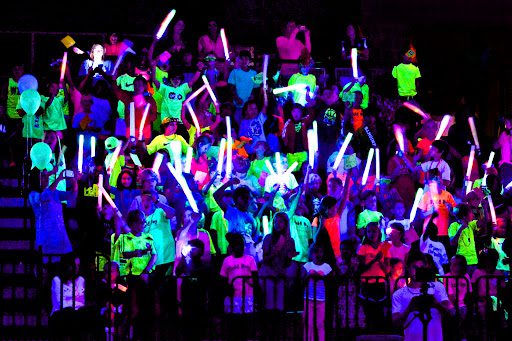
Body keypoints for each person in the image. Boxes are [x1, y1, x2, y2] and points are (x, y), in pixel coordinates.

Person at [392, 251, 454, 341]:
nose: (418, 271)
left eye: (421, 267)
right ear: (408, 268)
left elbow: (449, 313)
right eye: (415, 267)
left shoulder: (437, 287)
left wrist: (435, 303)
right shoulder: (399, 294)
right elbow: (395, 323)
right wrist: (410, 308)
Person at [302, 243, 333, 341]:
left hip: (321, 298)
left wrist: (321, 277)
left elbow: (330, 280)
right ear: (311, 254)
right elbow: (301, 280)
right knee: (308, 323)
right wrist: (309, 276)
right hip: (309, 298)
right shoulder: (307, 266)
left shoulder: (327, 267)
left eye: (320, 252)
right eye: (315, 252)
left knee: (320, 323)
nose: (318, 254)